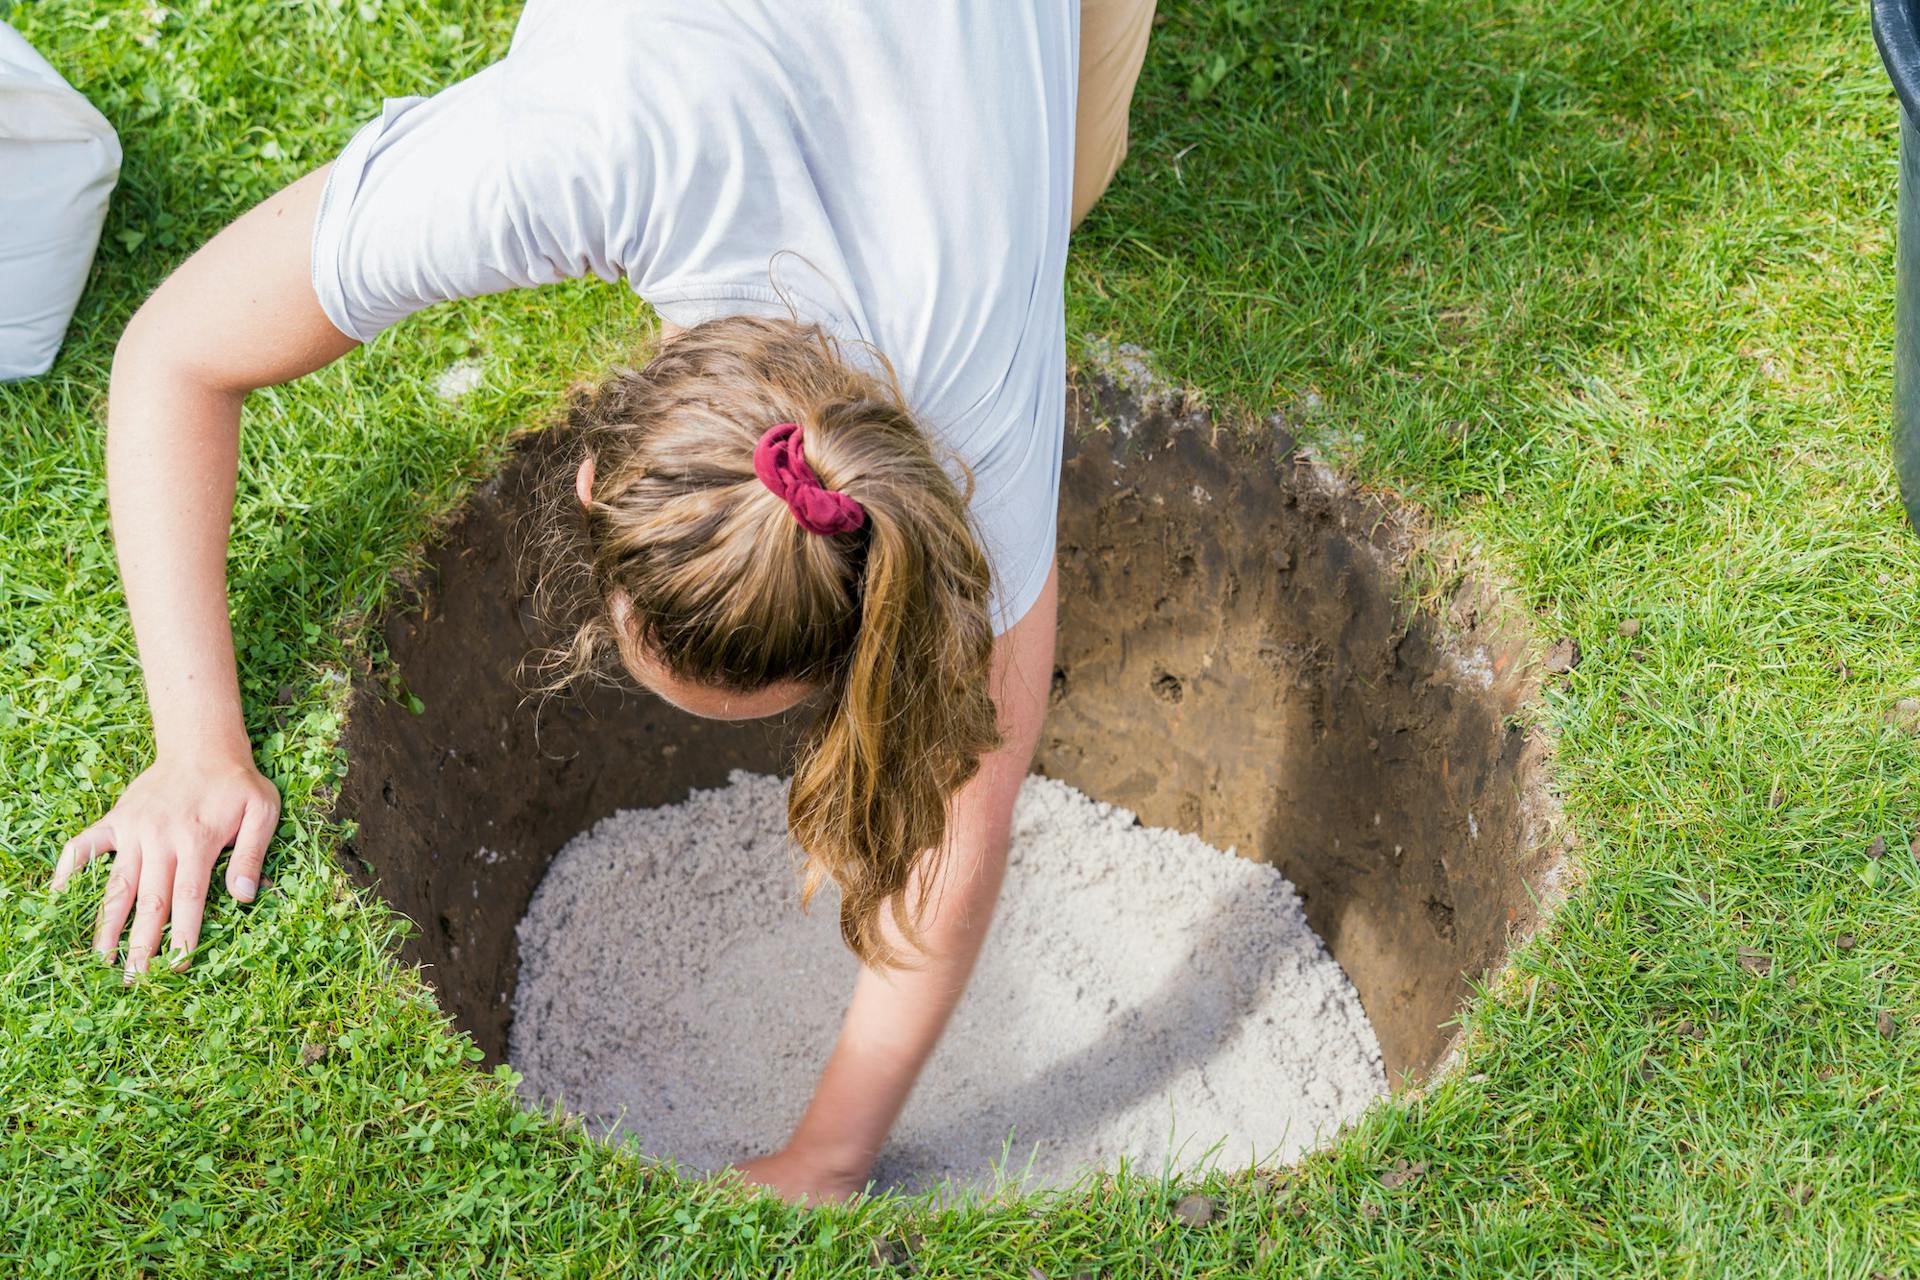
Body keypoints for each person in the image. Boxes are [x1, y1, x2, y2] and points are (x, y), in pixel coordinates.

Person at [47, 0, 1155, 1204]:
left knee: (1071, 172)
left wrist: (827, 1151)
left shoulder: (972, 389)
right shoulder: (582, 139)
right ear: (595, 474)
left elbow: (962, 795)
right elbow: (174, 350)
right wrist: (194, 745)